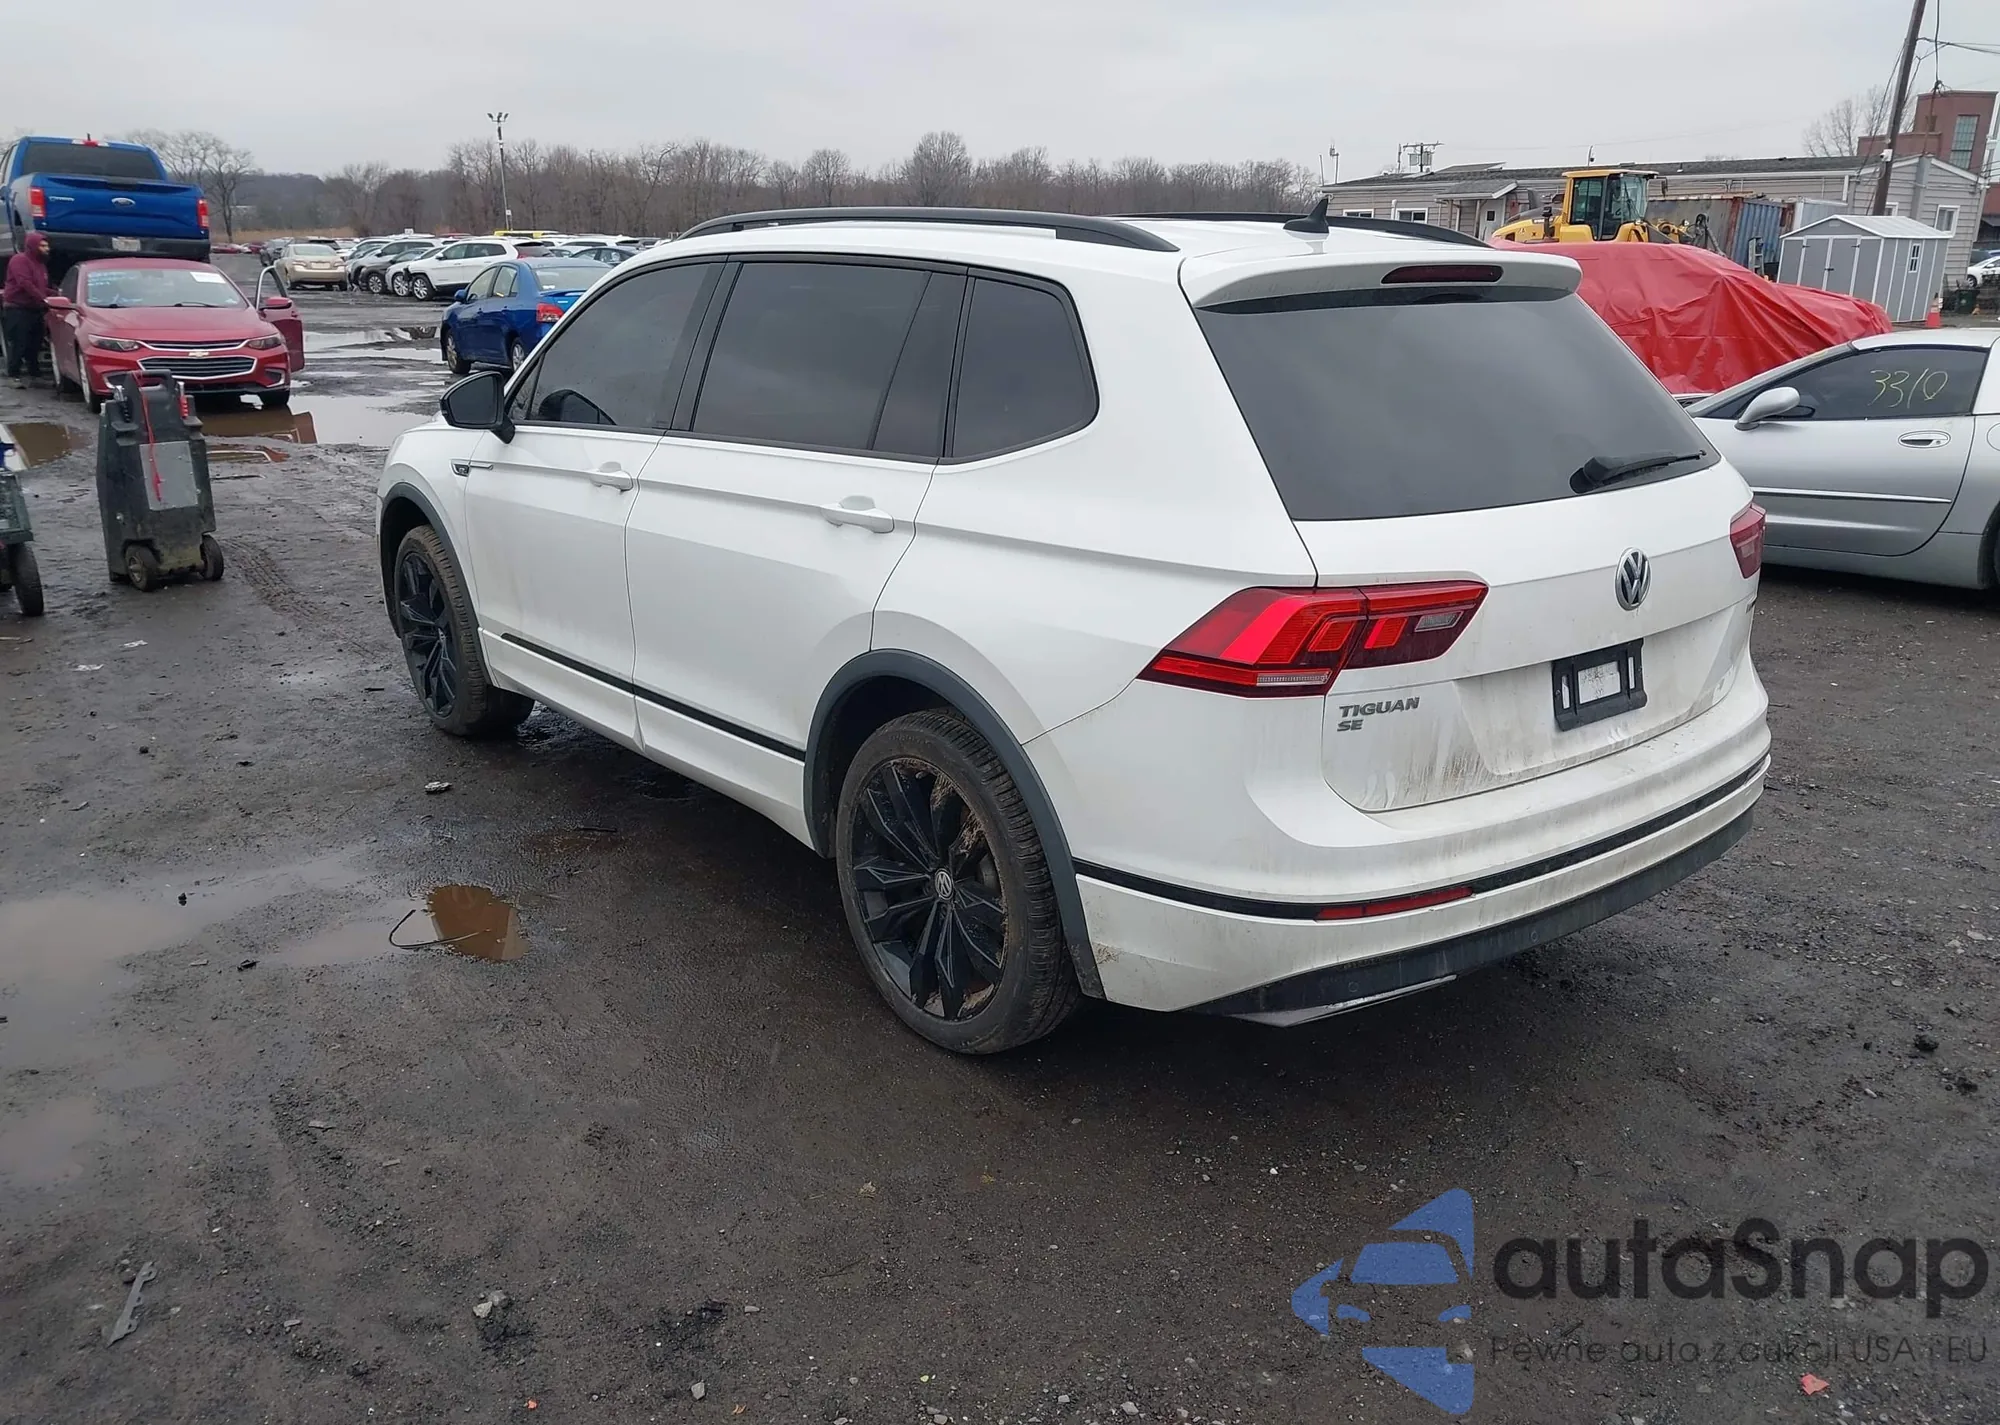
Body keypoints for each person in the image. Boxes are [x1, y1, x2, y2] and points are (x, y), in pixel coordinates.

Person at [3, 232, 54, 389]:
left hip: (34, 309)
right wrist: (43, 299)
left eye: (47, 246)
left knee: (35, 343)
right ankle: (13, 375)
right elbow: (25, 283)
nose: (47, 249)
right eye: (42, 246)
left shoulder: (40, 265)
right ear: (33, 246)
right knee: (19, 343)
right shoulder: (19, 260)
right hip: (17, 308)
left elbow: (40, 287)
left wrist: (57, 293)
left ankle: (35, 375)